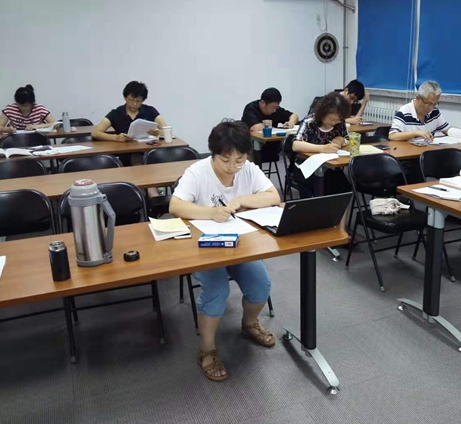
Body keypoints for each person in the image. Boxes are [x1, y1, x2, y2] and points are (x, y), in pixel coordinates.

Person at [169, 121, 281, 381]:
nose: (232, 166)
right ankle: (207, 349)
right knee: (217, 291)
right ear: (213, 153)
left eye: (239, 160)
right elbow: (175, 205)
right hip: (205, 246)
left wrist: (241, 200)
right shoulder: (197, 172)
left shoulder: (248, 170)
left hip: (240, 244)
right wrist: (210, 213)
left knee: (261, 285)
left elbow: (273, 196)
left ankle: (249, 324)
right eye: (225, 160)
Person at [388, 80, 461, 183]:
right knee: (415, 169)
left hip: (429, 156)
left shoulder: (434, 112)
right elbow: (393, 135)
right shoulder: (404, 112)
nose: (431, 108)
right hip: (410, 159)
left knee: (458, 160)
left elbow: (447, 129)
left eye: (435, 104)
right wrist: (416, 133)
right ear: (418, 98)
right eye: (428, 104)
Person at [292, 92, 351, 197]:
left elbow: (347, 139)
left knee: (344, 188)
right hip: (306, 167)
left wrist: (340, 139)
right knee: (316, 190)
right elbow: (296, 145)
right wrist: (323, 148)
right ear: (322, 113)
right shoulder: (310, 121)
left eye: (338, 119)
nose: (334, 122)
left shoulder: (340, 123)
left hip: (331, 167)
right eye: (331, 119)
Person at [91, 81, 168, 142]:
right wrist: (115, 137)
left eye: (138, 101)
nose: (134, 104)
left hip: (146, 149)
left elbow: (167, 130)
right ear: (125, 97)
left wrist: (159, 133)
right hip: (125, 151)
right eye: (131, 100)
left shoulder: (150, 111)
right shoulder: (117, 113)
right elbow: (95, 133)